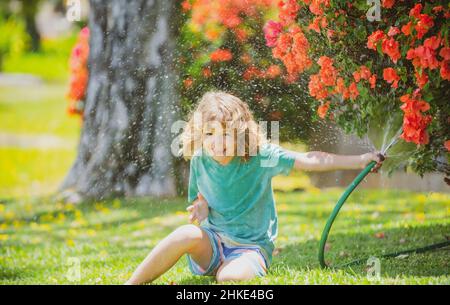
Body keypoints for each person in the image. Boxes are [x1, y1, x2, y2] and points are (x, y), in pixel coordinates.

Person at [125, 91, 385, 284]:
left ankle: (237, 267)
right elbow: (201, 195)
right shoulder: (201, 159)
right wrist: (201, 205)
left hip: (249, 248)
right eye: (209, 134)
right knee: (184, 234)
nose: (217, 143)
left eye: (225, 133)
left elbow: (309, 159)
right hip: (213, 244)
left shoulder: (260, 156)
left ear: (241, 132)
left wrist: (360, 160)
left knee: (229, 279)